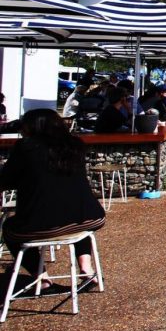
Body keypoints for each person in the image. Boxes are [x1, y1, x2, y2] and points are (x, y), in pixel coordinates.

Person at [0, 109, 105, 293]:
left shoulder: (25, 148)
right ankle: (87, 270)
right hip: (90, 217)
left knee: (10, 230)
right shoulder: (75, 145)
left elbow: (6, 180)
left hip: (41, 225)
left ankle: (41, 278)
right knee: (76, 218)